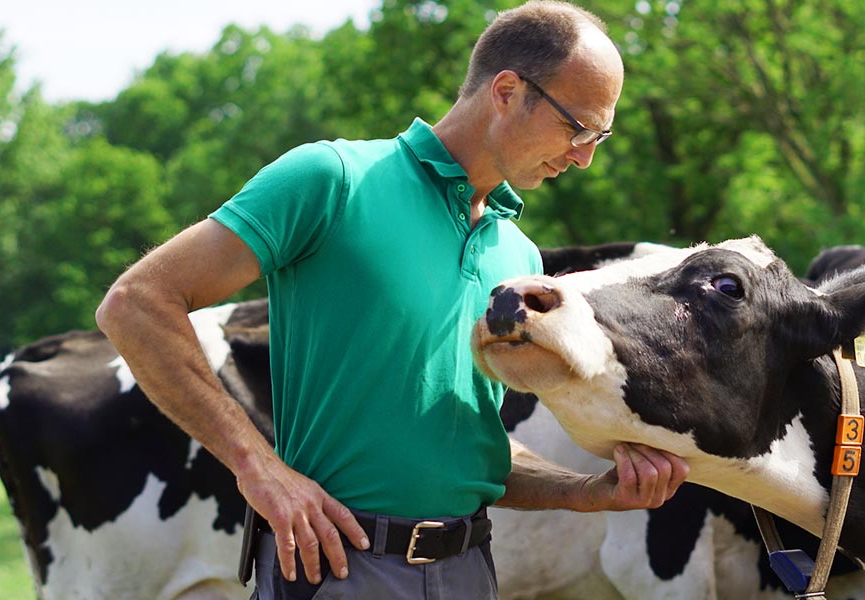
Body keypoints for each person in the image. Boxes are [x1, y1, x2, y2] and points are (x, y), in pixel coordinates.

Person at [95, 2, 689, 598]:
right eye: (577, 127)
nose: (585, 156)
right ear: (507, 91)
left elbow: (468, 446)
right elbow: (136, 303)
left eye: (600, 136)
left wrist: (588, 492)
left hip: (470, 571)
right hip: (339, 570)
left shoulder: (520, 259)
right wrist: (258, 466)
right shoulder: (331, 179)